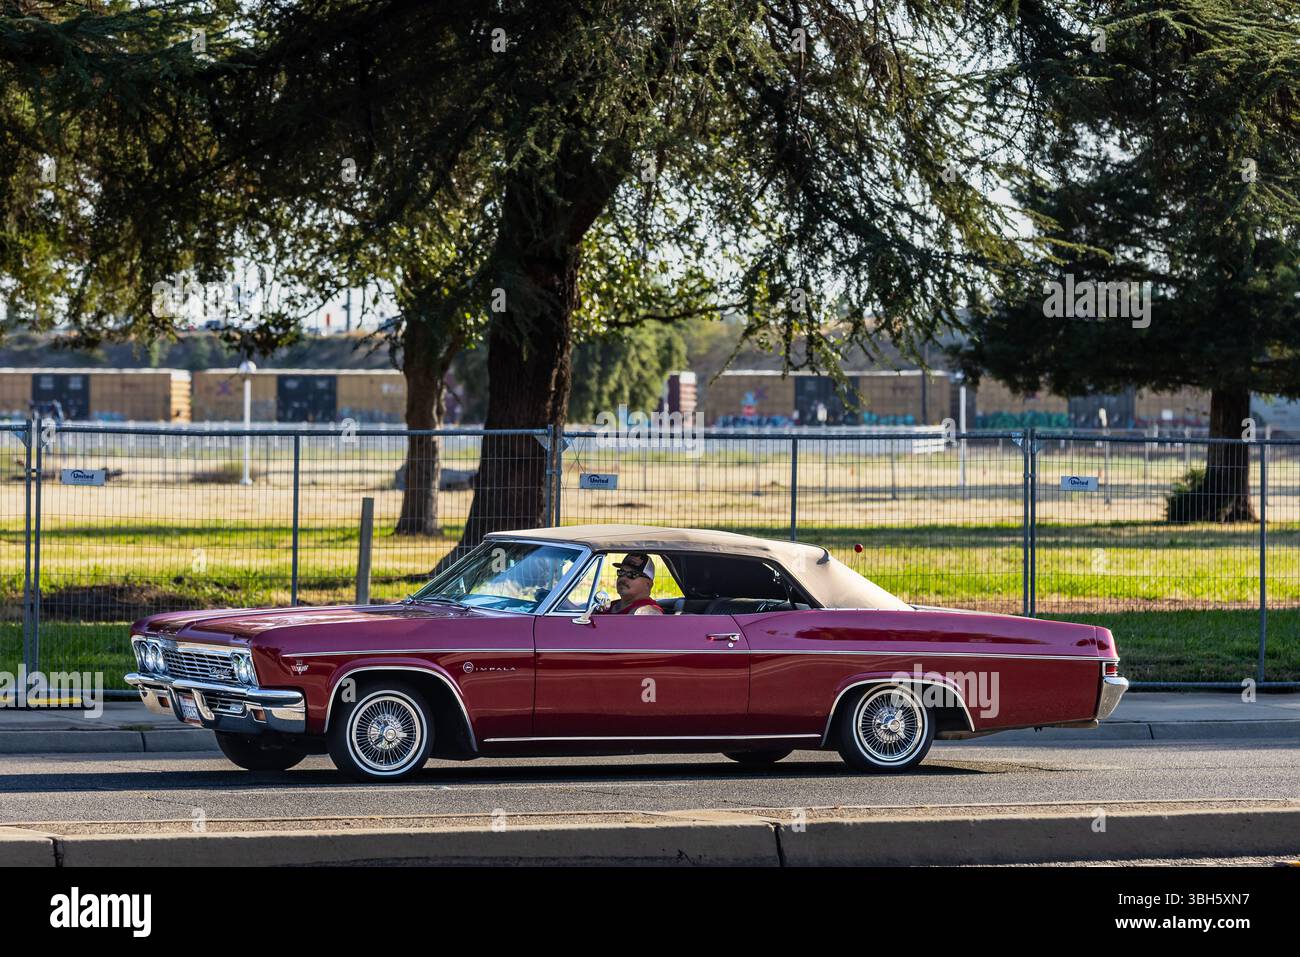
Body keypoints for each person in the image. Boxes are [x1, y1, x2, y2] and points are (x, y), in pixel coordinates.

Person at [600, 552, 664, 615]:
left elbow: (653, 615)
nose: (623, 578)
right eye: (621, 572)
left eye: (632, 574)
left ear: (648, 584)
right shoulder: (608, 606)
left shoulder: (647, 611)